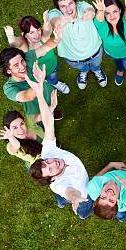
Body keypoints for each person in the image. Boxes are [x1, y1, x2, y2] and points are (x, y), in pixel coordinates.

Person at [26, 62, 94, 219]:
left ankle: (61, 202)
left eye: (46, 162)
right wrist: (75, 199)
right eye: (50, 169)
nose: (52, 163)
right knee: (66, 200)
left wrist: (40, 92)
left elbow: (48, 122)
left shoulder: (49, 153)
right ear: (54, 178)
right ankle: (63, 202)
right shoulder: (60, 185)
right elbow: (71, 192)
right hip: (75, 195)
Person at [47, 0, 108, 89]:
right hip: (73, 58)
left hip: (95, 52)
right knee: (82, 68)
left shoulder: (82, 6)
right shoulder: (55, 14)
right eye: (63, 6)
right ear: (58, 8)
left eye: (70, 3)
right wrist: (61, 22)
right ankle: (83, 72)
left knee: (96, 65)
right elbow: (54, 21)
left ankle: (96, 70)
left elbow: (90, 10)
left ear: (75, 2)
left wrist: (90, 13)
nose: (68, 9)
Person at [4, 12, 70, 94]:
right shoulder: (24, 46)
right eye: (32, 32)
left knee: (52, 77)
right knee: (41, 83)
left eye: (38, 30)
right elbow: (14, 44)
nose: (37, 35)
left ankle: (55, 83)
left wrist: (46, 22)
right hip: (36, 73)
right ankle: (46, 82)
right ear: (25, 35)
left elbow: (47, 30)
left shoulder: (44, 36)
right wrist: (10, 36)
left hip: (52, 66)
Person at [0, 47, 63, 130]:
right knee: (45, 127)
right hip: (37, 111)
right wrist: (39, 81)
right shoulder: (9, 88)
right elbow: (27, 96)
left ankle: (53, 111)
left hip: (48, 95)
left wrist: (57, 39)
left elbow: (47, 46)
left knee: (52, 106)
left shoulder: (27, 59)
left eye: (22, 61)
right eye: (16, 65)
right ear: (8, 70)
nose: (22, 67)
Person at [92, 0, 126, 86]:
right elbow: (99, 20)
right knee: (118, 63)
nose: (112, 16)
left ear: (120, 11)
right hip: (112, 53)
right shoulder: (103, 27)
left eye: (115, 11)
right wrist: (100, 10)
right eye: (107, 13)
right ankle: (120, 70)